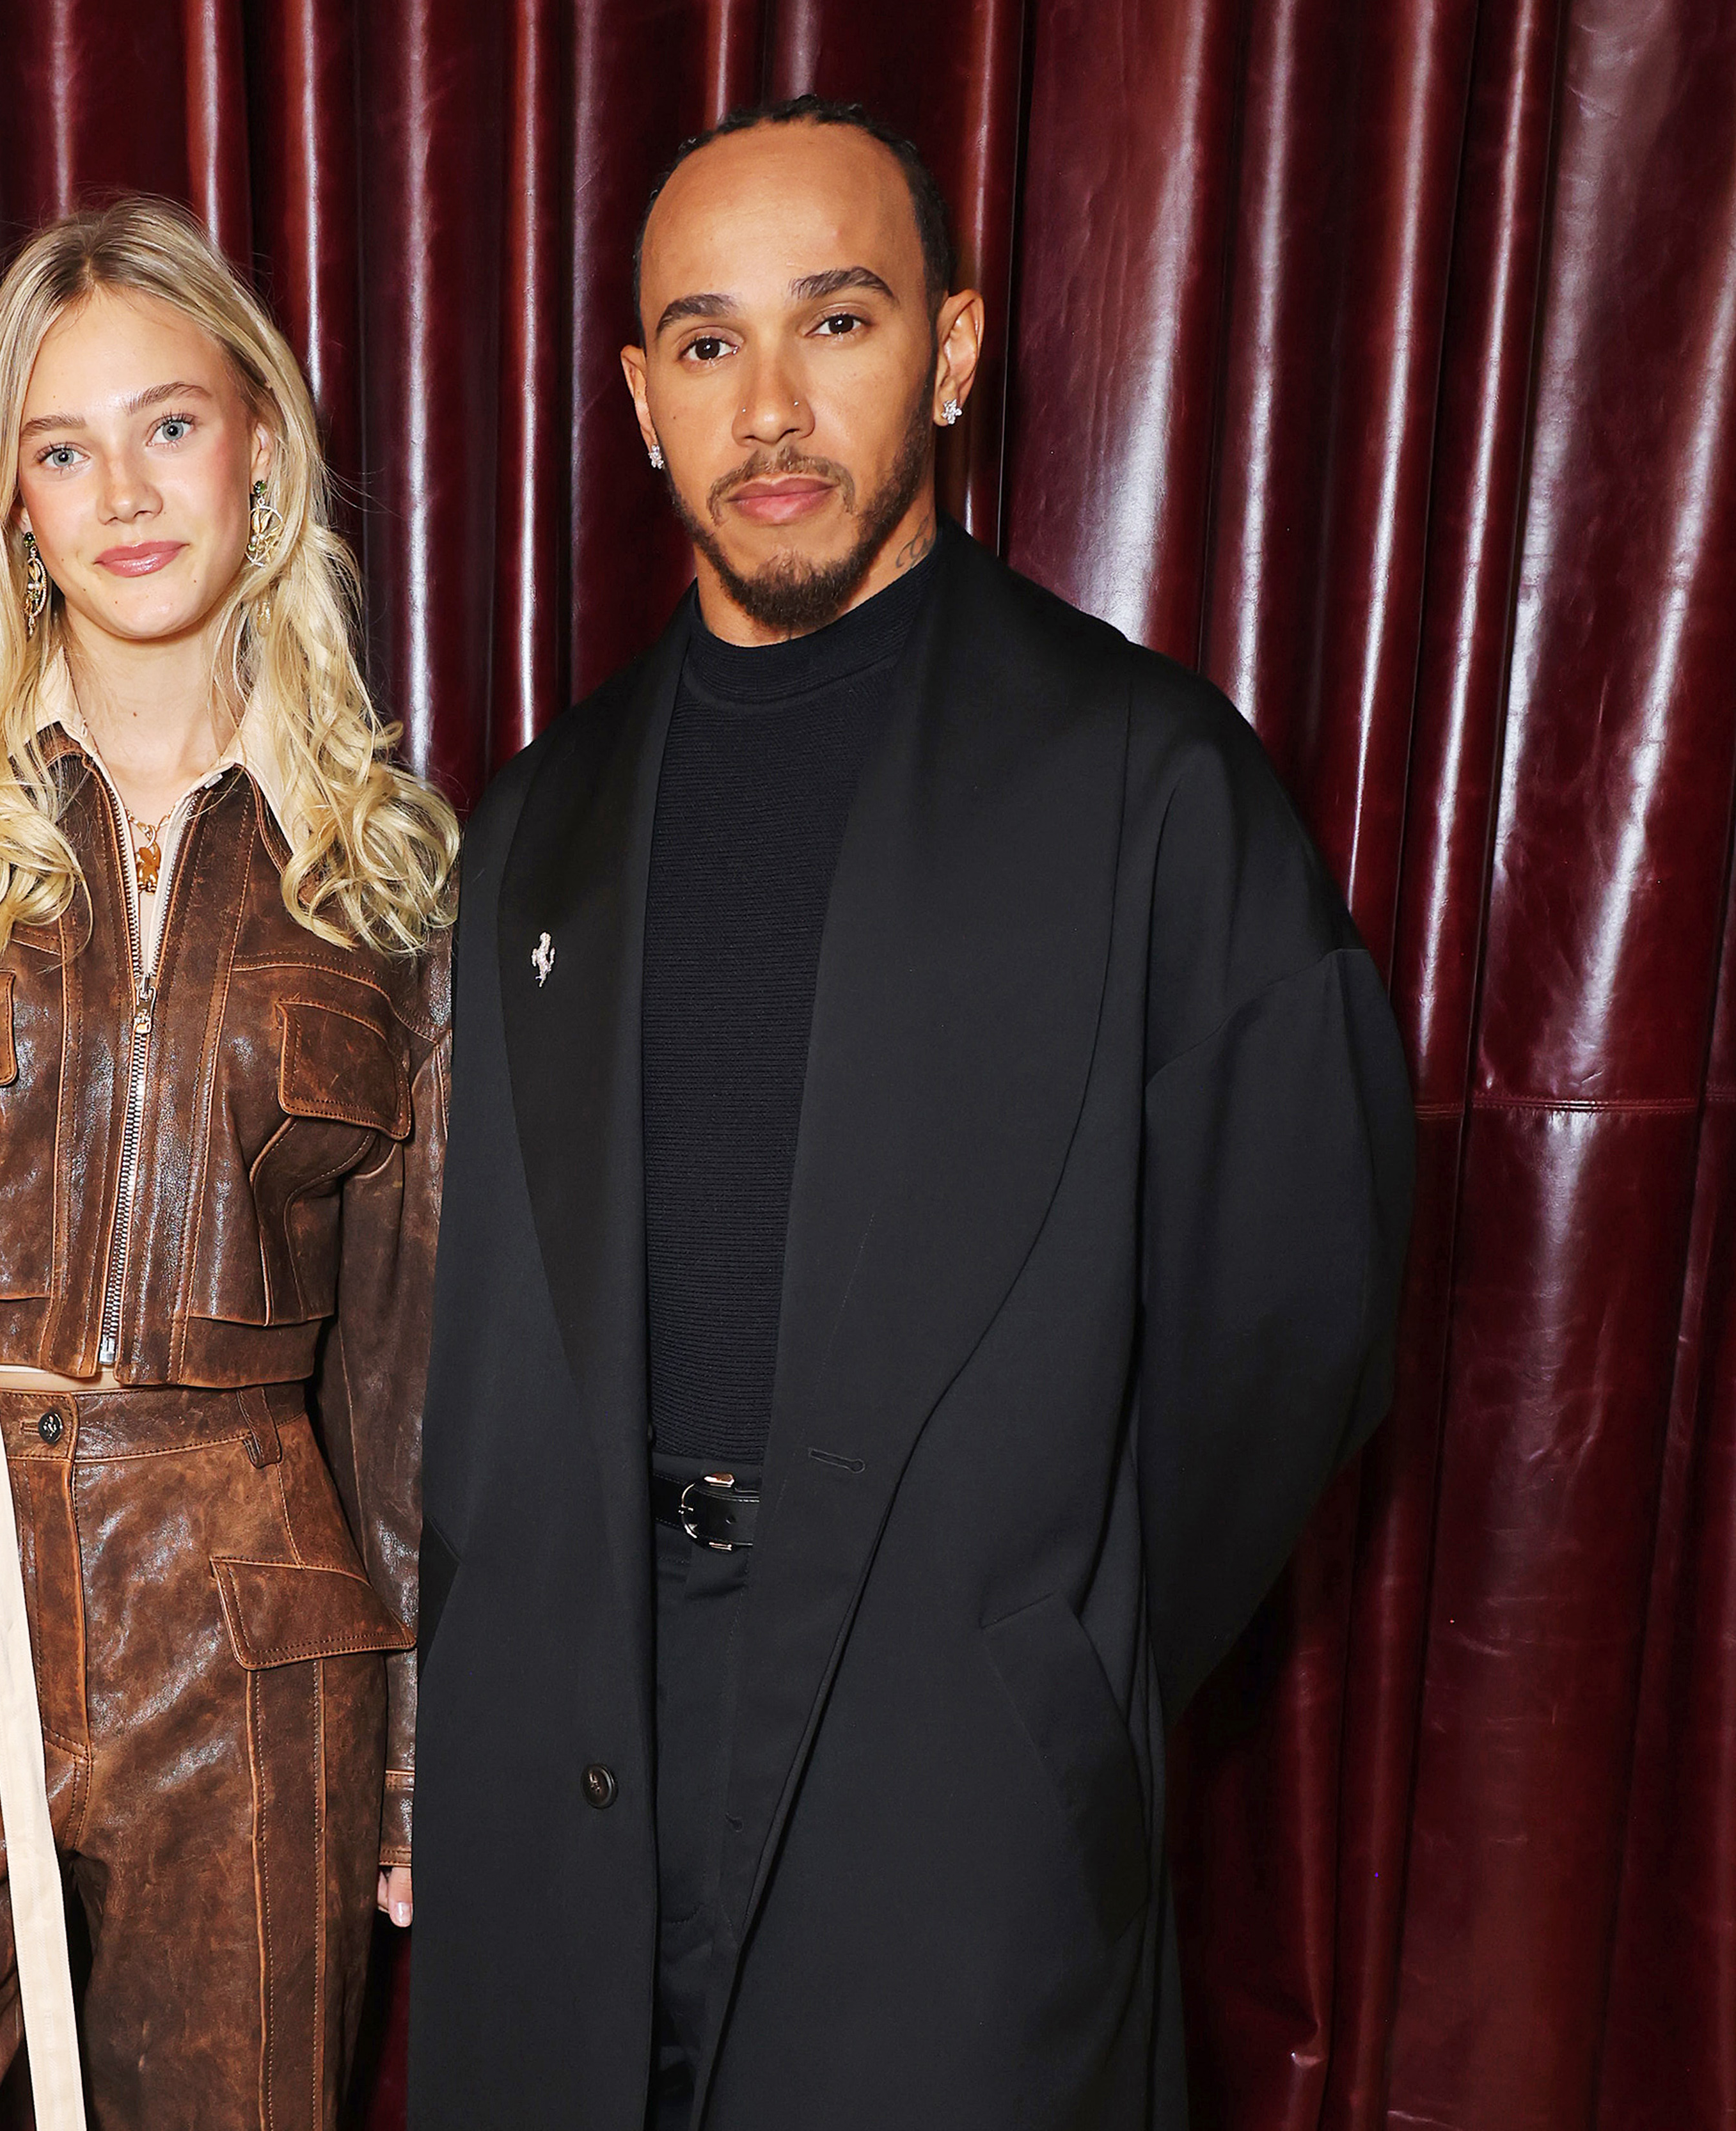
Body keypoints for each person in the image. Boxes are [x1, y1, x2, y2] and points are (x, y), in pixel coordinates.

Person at [409, 98, 1415, 2130]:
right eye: (707, 342)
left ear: (952, 351)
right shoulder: (540, 819)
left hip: (949, 1786)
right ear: (637, 398)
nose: (770, 405)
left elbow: (1289, 1325)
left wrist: (1034, 1643)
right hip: (570, 1774)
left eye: (836, 321)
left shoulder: (1151, 789)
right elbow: (490, 1363)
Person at [0, 195, 454, 2131]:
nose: (124, 492)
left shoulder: (393, 867)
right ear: (13, 505)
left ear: (261, 455)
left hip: (257, 1626)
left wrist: (412, 1757)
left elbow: (404, 1375)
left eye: (168, 426)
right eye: (62, 446)